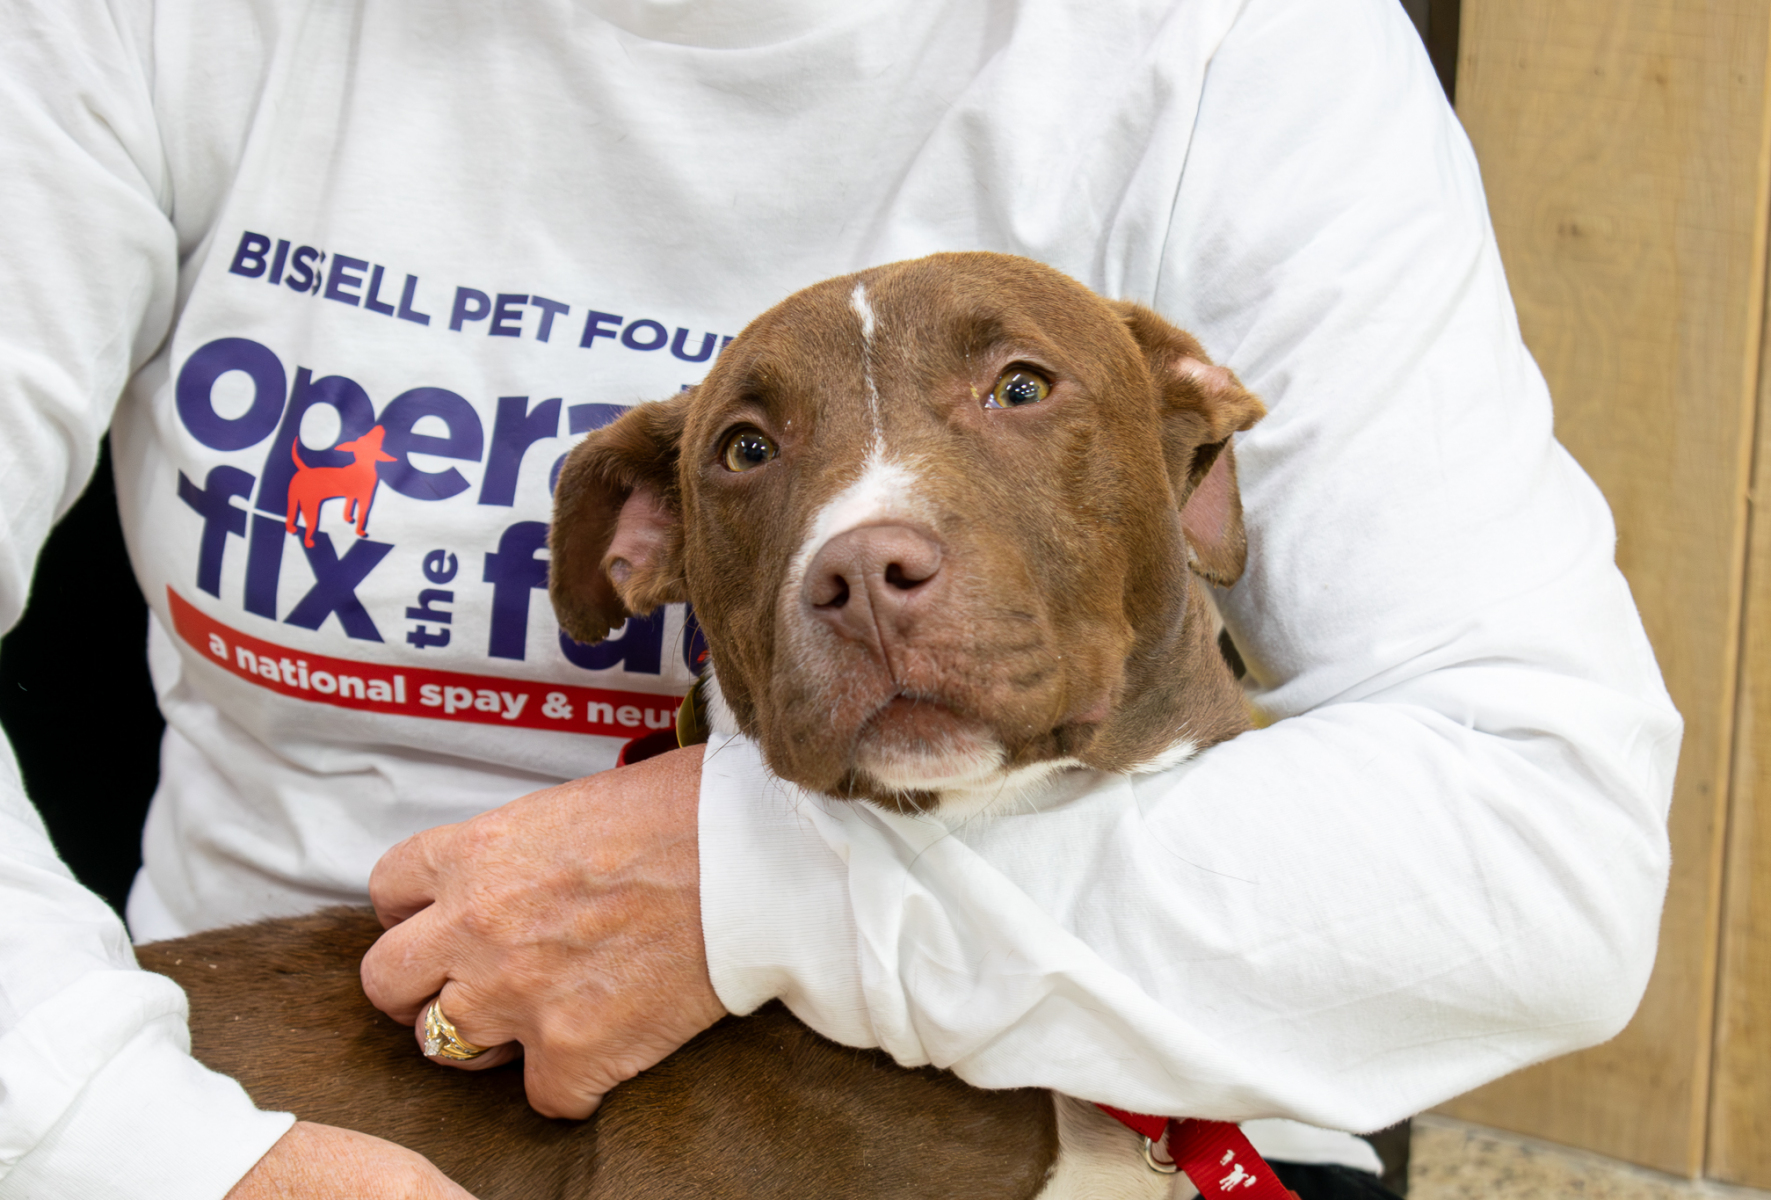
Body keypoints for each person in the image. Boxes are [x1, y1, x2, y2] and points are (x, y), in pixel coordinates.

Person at [0, 0, 1682, 1197]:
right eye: (745, 456)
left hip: (1168, 1080)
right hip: (262, 1088)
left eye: (1016, 391)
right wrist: (149, 1143)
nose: (869, 559)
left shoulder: (1233, 43)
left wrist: (755, 895)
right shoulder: (150, 27)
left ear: (1202, 458)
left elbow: (1549, 854)